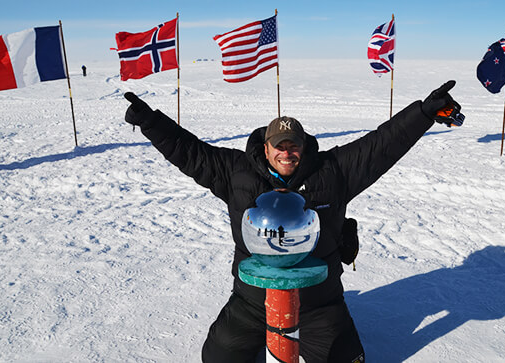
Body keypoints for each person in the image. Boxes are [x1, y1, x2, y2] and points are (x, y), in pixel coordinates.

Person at [123, 80, 460, 362]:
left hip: (319, 302)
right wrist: (150, 121)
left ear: (303, 147)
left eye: (294, 146)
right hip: (253, 300)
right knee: (218, 358)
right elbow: (189, 151)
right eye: (279, 146)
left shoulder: (332, 171)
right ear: (266, 149)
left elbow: (380, 146)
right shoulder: (235, 171)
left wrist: (423, 113)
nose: (287, 153)